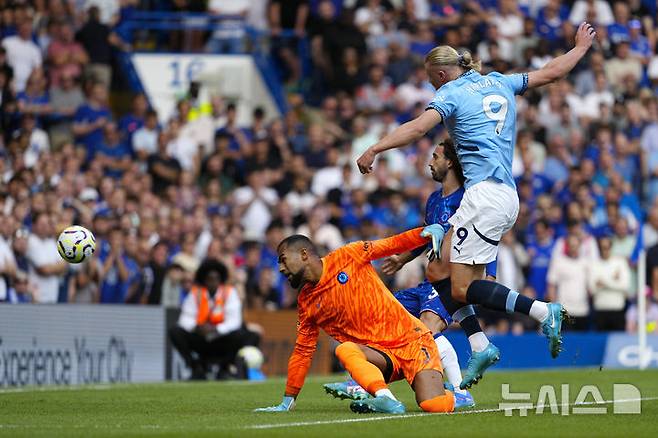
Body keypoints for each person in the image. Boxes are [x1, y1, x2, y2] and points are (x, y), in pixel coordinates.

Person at [356, 23, 597, 363]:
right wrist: (580, 48)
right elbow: (550, 72)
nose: (430, 85)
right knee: (439, 271)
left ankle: (543, 312)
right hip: (503, 196)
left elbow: (417, 127)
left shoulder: (450, 94)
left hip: (484, 196)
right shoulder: (499, 80)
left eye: (430, 80)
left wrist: (375, 148)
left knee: (459, 286)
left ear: (441, 74)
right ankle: (481, 346)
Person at [324, 139, 495, 403]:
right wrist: (402, 259)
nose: (430, 162)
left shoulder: (467, 199)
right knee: (384, 318)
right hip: (429, 281)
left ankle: (460, 392)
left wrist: (490, 271)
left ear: (450, 162)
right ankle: (359, 382)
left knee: (426, 331)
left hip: (451, 281)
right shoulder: (435, 199)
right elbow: (428, 236)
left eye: (436, 157)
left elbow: (485, 233)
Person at [255, 225, 463, 415]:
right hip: (380, 356)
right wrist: (288, 400)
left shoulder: (348, 255)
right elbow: (302, 351)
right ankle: (386, 399)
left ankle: (456, 393)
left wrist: (425, 231)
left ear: (303, 254)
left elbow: (392, 244)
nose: (281, 269)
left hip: (413, 342)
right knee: (345, 349)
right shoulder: (307, 302)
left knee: (433, 405)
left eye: (283, 260)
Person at [169, 258, 260, 380]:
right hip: (201, 338)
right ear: (204, 280)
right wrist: (197, 327)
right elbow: (185, 319)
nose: (213, 282)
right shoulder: (196, 293)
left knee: (251, 335)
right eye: (209, 279)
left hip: (222, 339)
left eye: (216, 279)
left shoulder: (229, 292)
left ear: (220, 279)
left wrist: (216, 329)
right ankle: (196, 367)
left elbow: (234, 321)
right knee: (175, 331)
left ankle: (225, 367)